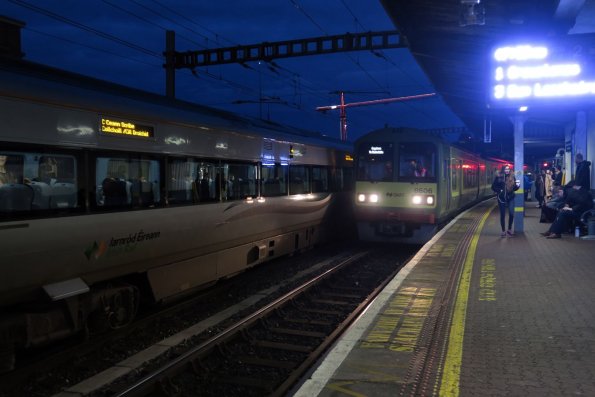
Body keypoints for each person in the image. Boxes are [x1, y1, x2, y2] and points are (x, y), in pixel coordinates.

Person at [492, 165, 520, 237]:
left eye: (508, 169)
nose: (507, 170)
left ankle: (509, 230)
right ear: (503, 170)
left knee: (511, 213)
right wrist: (499, 190)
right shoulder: (499, 177)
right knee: (502, 214)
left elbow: (514, 189)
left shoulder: (512, 177)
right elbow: (493, 187)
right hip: (501, 198)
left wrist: (517, 186)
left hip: (510, 197)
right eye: (505, 169)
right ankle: (503, 231)